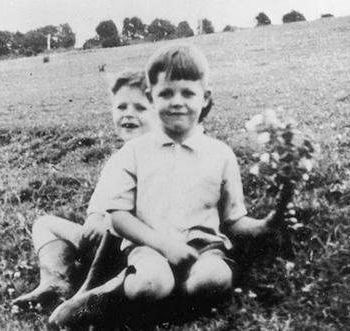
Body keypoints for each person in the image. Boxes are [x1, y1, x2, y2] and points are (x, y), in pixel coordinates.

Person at [49, 44, 276, 327]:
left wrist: (266, 225)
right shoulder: (135, 153)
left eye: (188, 93)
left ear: (204, 98)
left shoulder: (220, 154)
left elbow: (234, 221)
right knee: (149, 284)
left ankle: (169, 301)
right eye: (166, 93)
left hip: (203, 249)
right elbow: (118, 219)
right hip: (149, 248)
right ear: (151, 97)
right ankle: (110, 296)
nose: (177, 102)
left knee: (213, 279)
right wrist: (164, 245)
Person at [12, 70, 156, 308]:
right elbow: (99, 205)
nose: (129, 114)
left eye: (140, 108)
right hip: (102, 242)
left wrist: (109, 225)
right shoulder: (118, 160)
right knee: (45, 224)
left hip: (138, 247)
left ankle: (98, 291)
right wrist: (94, 220)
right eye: (121, 107)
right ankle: (56, 281)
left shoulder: (158, 158)